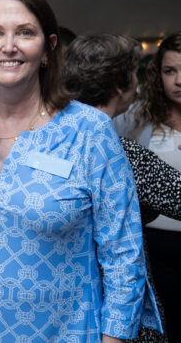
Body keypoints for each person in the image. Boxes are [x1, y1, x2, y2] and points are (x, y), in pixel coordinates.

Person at [0, 0, 159, 342]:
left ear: (49, 48)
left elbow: (123, 251)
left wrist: (115, 336)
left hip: (63, 332)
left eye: (25, 32)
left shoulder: (88, 132)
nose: (9, 46)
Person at [63, 34, 179, 343]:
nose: (138, 86)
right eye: (132, 76)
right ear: (118, 86)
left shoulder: (51, 138)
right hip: (115, 310)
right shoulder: (119, 150)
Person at [115, 32, 181, 342]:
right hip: (154, 247)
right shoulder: (136, 118)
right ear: (158, 75)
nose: (179, 81)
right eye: (170, 71)